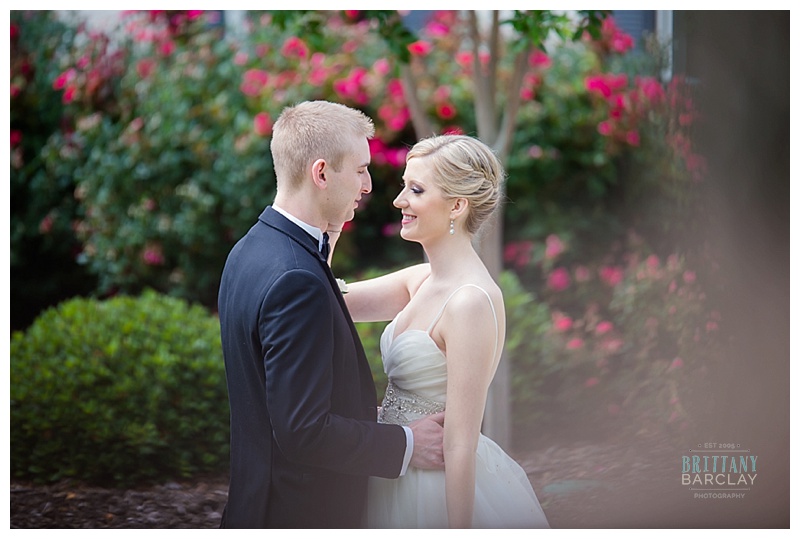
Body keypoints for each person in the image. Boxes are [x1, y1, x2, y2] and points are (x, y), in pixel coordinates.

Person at [217, 100, 445, 528]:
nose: (368, 185)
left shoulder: (250, 250)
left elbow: (279, 398)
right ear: (321, 173)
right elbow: (303, 431)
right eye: (360, 169)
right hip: (300, 516)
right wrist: (408, 443)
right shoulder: (295, 279)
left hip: (255, 504)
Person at [329, 134, 550, 528]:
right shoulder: (421, 280)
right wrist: (328, 220)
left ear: (457, 206)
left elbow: (461, 442)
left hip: (431, 488)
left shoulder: (469, 302)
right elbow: (326, 300)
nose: (399, 201)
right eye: (403, 187)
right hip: (394, 466)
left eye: (415, 190)